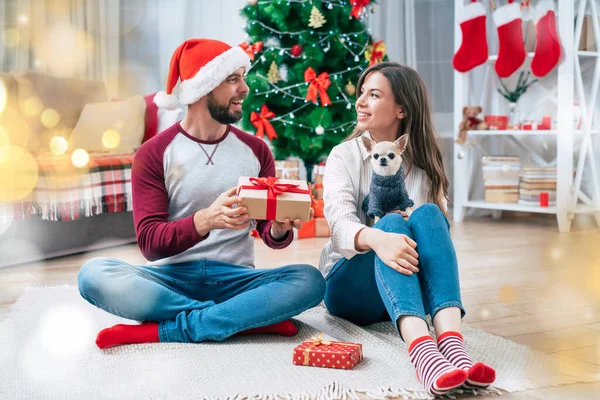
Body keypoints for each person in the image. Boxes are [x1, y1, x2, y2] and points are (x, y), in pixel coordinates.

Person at [78, 38, 325, 349]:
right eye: (232, 79)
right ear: (204, 87)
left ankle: (164, 330)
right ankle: (240, 321)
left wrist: (277, 227)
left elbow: (267, 230)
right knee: (94, 274)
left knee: (310, 281)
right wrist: (205, 220)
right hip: (171, 281)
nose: (244, 88)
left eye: (243, 77)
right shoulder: (153, 153)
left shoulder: (257, 150)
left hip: (237, 280)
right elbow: (150, 244)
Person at [318, 62, 495, 396]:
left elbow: (433, 247)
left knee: (428, 214)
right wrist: (380, 238)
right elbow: (339, 225)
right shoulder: (344, 155)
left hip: (403, 285)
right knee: (391, 221)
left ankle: (453, 348)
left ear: (401, 109)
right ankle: (423, 354)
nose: (360, 102)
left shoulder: (424, 166)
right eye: (361, 94)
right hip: (348, 287)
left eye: (373, 95)